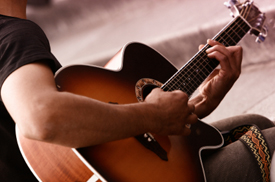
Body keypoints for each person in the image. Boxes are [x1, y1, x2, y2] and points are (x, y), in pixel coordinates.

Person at [0, 0, 274, 181]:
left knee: (256, 123)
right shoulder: (13, 34)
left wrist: (201, 101)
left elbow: (89, 134)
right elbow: (43, 117)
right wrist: (154, 115)